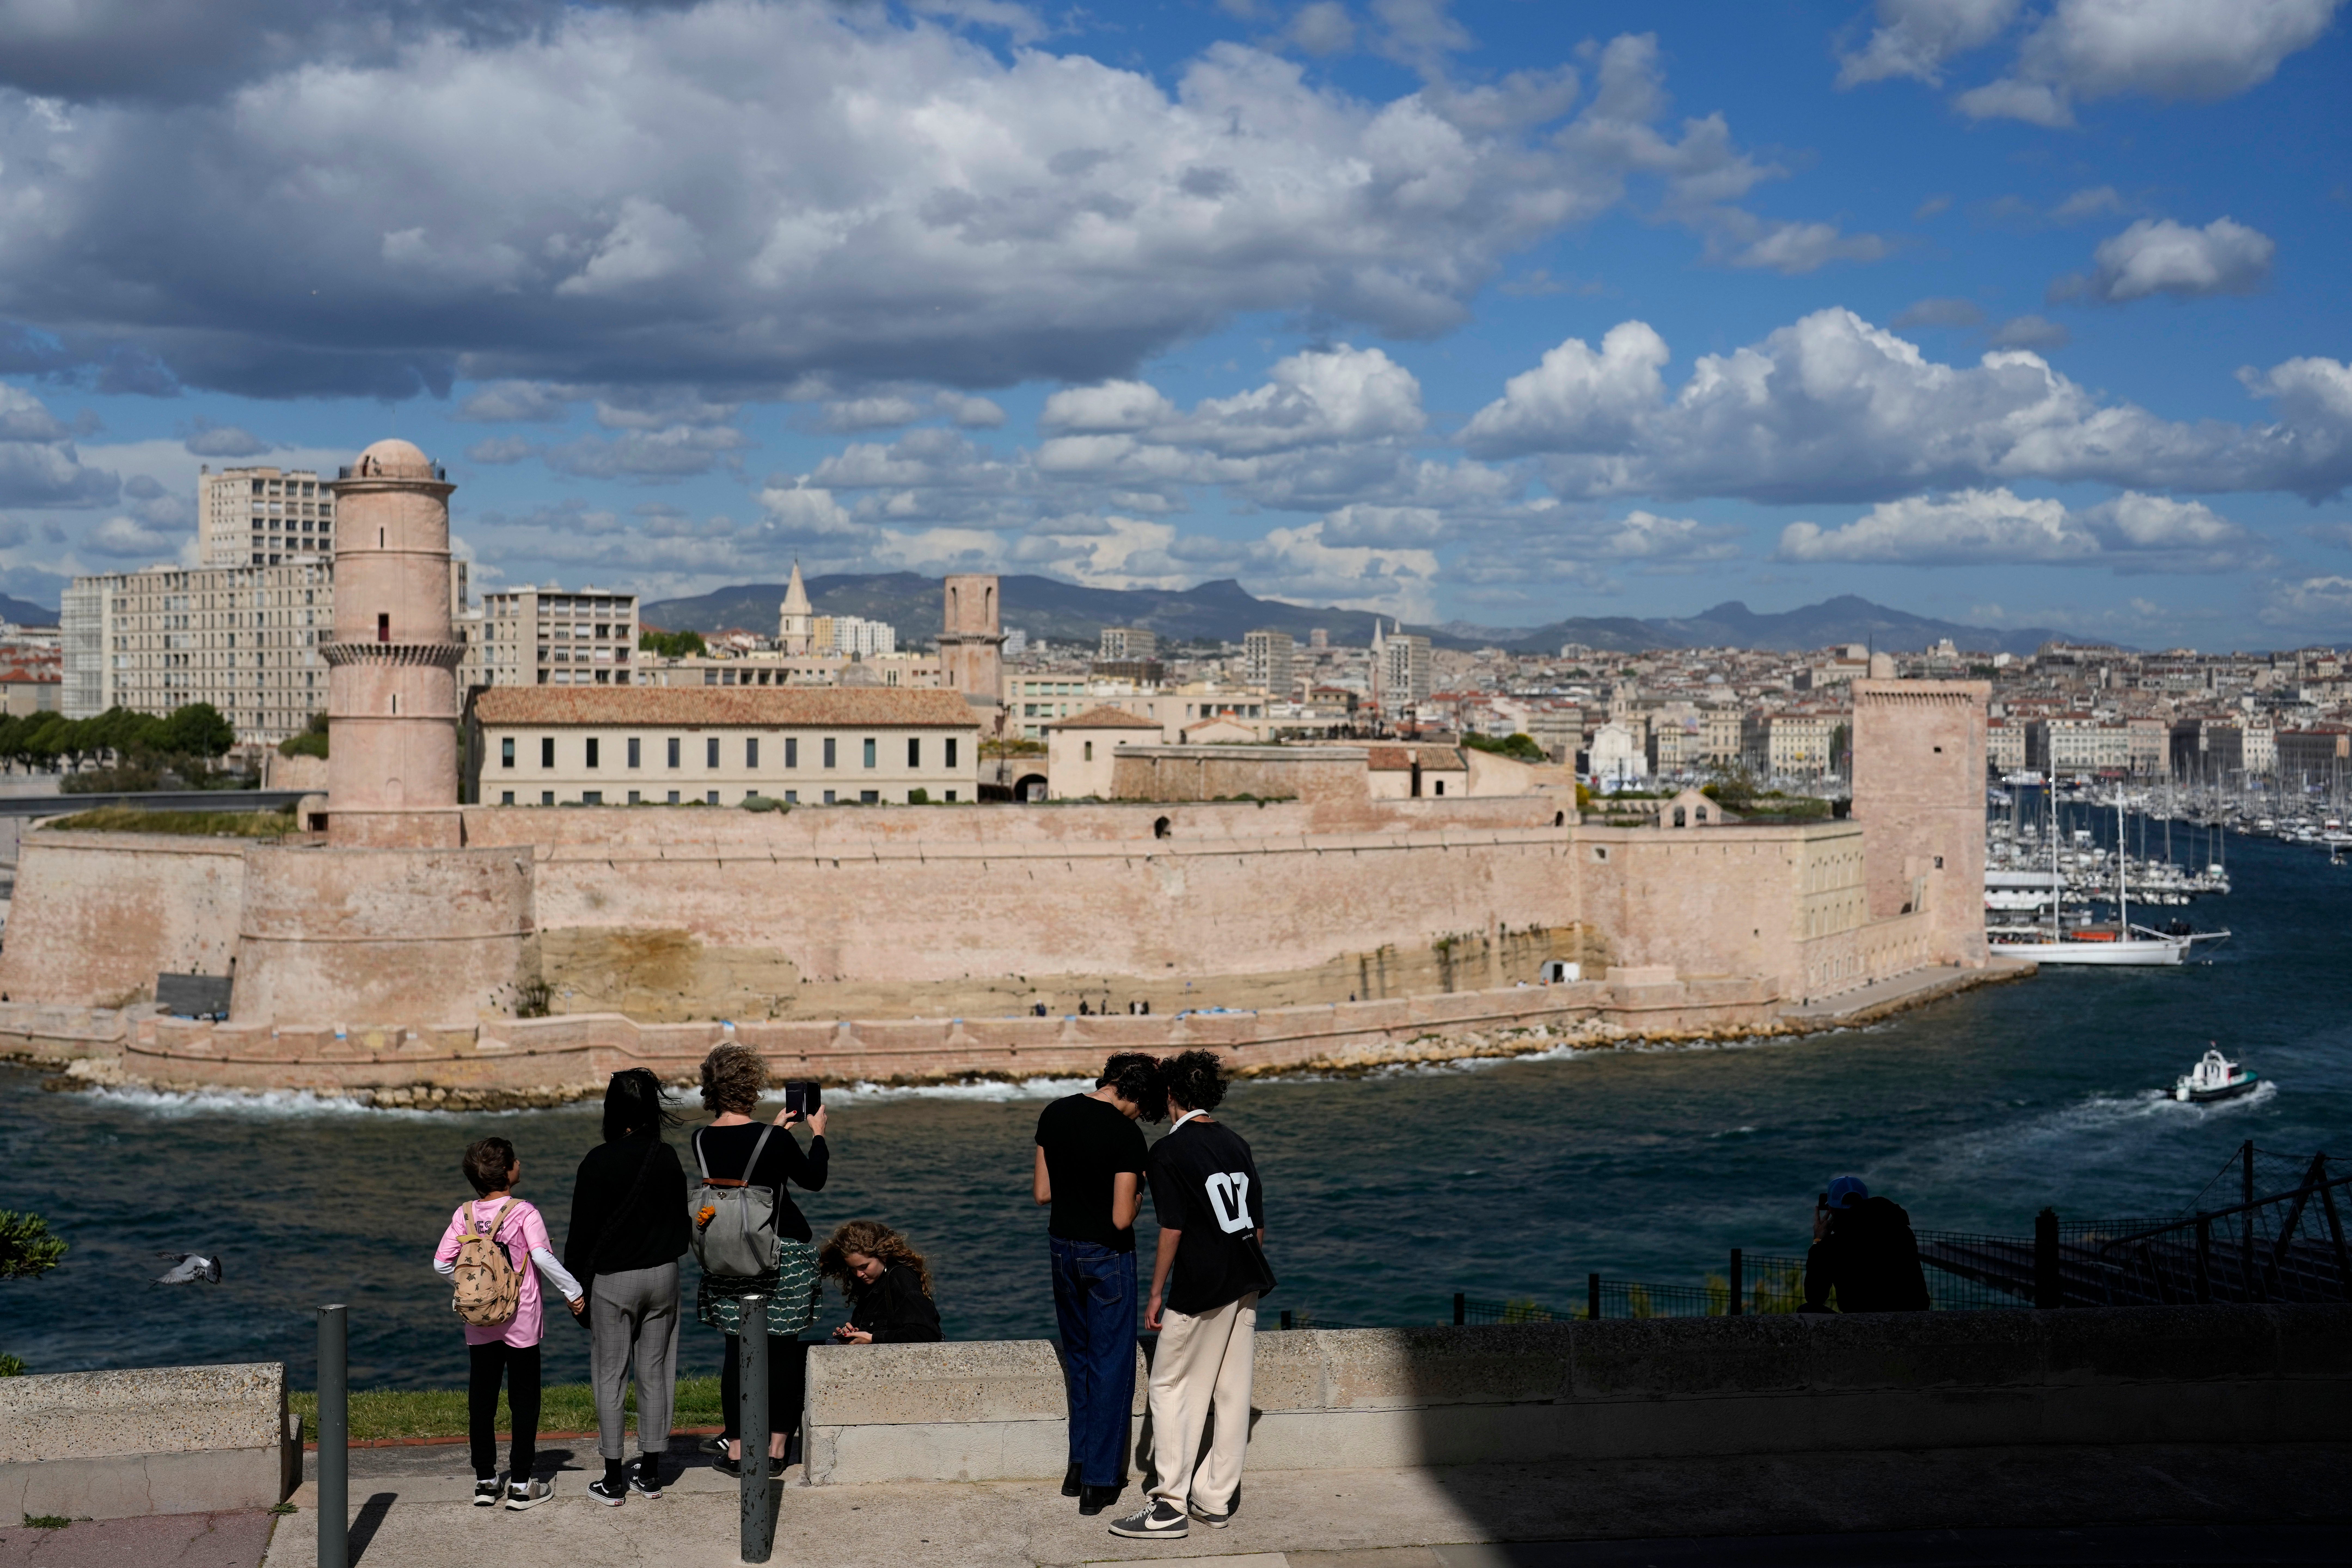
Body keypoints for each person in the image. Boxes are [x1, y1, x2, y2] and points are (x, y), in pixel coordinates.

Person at [1110, 1050, 1275, 1543]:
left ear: (1171, 1094)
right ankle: (1215, 1499)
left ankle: (1169, 1506)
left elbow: (1172, 1228)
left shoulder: (1167, 1153)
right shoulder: (1236, 1142)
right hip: (1247, 1278)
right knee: (1231, 1393)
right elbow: (1258, 1224)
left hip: (1201, 1285)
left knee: (1171, 1387)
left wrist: (1157, 1292)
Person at [1035, 1052, 1165, 1517]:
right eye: (1143, 1107)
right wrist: (1143, 1188)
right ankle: (1099, 1482)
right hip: (1107, 1256)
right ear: (1138, 1095)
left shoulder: (1055, 1112)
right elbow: (1121, 1217)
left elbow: (1042, 1193)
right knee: (1113, 1364)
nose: (1141, 1116)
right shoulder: (1126, 1135)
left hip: (1061, 1250)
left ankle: (1077, 1467)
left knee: (1083, 1359)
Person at [693, 1044, 828, 1477]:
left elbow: (740, 1172)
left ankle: (736, 1450)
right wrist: (818, 1133)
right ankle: (776, 1449)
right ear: (751, 1086)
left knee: (736, 1350)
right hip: (779, 1253)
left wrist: (774, 1132)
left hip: (728, 1253)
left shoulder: (701, 1139)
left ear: (711, 1089)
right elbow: (815, 1180)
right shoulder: (778, 1141)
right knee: (783, 1350)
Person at [433, 1136, 585, 1511]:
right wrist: (574, 1290)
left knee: (481, 1399)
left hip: (479, 1320)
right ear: (509, 1171)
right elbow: (543, 1258)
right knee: (524, 1400)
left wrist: (472, 1290)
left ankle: (486, 1481)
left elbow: (440, 1264)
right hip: (521, 1317)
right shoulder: (523, 1212)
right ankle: (520, 1484)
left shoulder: (464, 1214)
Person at [565, 1069, 690, 1506]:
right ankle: (651, 1474)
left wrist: (574, 1289)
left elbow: (581, 1235)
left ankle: (613, 1479)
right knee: (656, 1373)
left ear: (612, 1110)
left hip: (615, 1281)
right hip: (663, 1275)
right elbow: (682, 1222)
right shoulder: (668, 1156)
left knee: (610, 1375)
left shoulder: (597, 1162)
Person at [1801, 1175, 1931, 1313]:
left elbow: (1814, 1297)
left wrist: (1818, 1242)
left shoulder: (1833, 1246)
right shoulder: (1903, 1233)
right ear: (1866, 1202)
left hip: (1861, 1324)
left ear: (1831, 1210)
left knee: (1807, 1310)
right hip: (1911, 1318)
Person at [818, 1220, 943, 1344]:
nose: (859, 1274)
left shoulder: (900, 1278)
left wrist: (872, 1338)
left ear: (883, 1256)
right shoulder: (869, 1285)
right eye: (853, 1268)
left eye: (864, 1267)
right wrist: (854, 1334)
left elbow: (926, 1333)